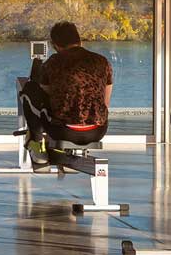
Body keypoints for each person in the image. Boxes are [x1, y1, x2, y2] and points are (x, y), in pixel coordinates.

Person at [22, 22, 113, 161]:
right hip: (98, 131)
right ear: (79, 41)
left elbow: (45, 93)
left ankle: (36, 142)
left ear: (55, 45)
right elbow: (106, 102)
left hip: (64, 131)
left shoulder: (54, 61)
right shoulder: (102, 61)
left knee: (29, 89)